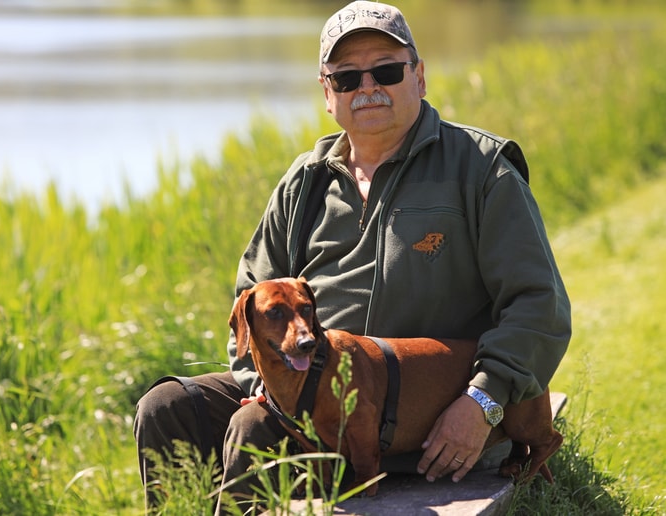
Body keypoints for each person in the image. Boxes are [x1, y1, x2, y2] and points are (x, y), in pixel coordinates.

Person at [134, 0, 571, 512]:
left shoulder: (481, 170)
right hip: (302, 391)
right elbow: (250, 301)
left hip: (419, 412)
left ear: (420, 77)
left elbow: (539, 307)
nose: (367, 87)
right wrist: (276, 397)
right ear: (327, 93)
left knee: (250, 431)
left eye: (386, 70)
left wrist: (482, 402)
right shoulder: (306, 179)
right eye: (346, 79)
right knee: (165, 408)